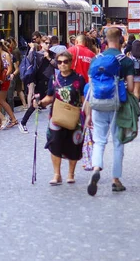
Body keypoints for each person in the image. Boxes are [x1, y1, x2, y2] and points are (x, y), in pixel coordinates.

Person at [86, 27, 134, 196]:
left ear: (105, 40)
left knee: (99, 141)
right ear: (121, 40)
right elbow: (131, 87)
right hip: (117, 106)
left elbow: (91, 85)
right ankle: (116, 180)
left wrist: (88, 113)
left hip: (98, 104)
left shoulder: (96, 59)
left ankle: (96, 169)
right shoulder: (125, 61)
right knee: (118, 143)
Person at [37, 51, 86, 185]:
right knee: (54, 143)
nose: (62, 64)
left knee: (74, 145)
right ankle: (57, 174)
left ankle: (71, 174)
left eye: (65, 62)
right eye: (59, 62)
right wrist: (40, 102)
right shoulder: (54, 79)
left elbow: (83, 99)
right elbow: (50, 96)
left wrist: (88, 117)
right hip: (56, 117)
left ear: (71, 63)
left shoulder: (79, 78)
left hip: (74, 118)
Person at [18, 37, 56, 133]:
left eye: (50, 43)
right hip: (40, 82)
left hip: (51, 81)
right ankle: (23, 122)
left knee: (56, 101)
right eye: (46, 43)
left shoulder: (53, 54)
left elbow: (57, 65)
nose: (48, 45)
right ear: (41, 44)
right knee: (35, 103)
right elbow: (29, 63)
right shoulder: (37, 55)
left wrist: (48, 58)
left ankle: (56, 124)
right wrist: (32, 50)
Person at [0, 41, 19, 128]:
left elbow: (9, 68)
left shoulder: (6, 55)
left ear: (0, 47)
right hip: (0, 79)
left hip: (5, 79)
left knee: (1, 100)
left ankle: (13, 119)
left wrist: (4, 78)